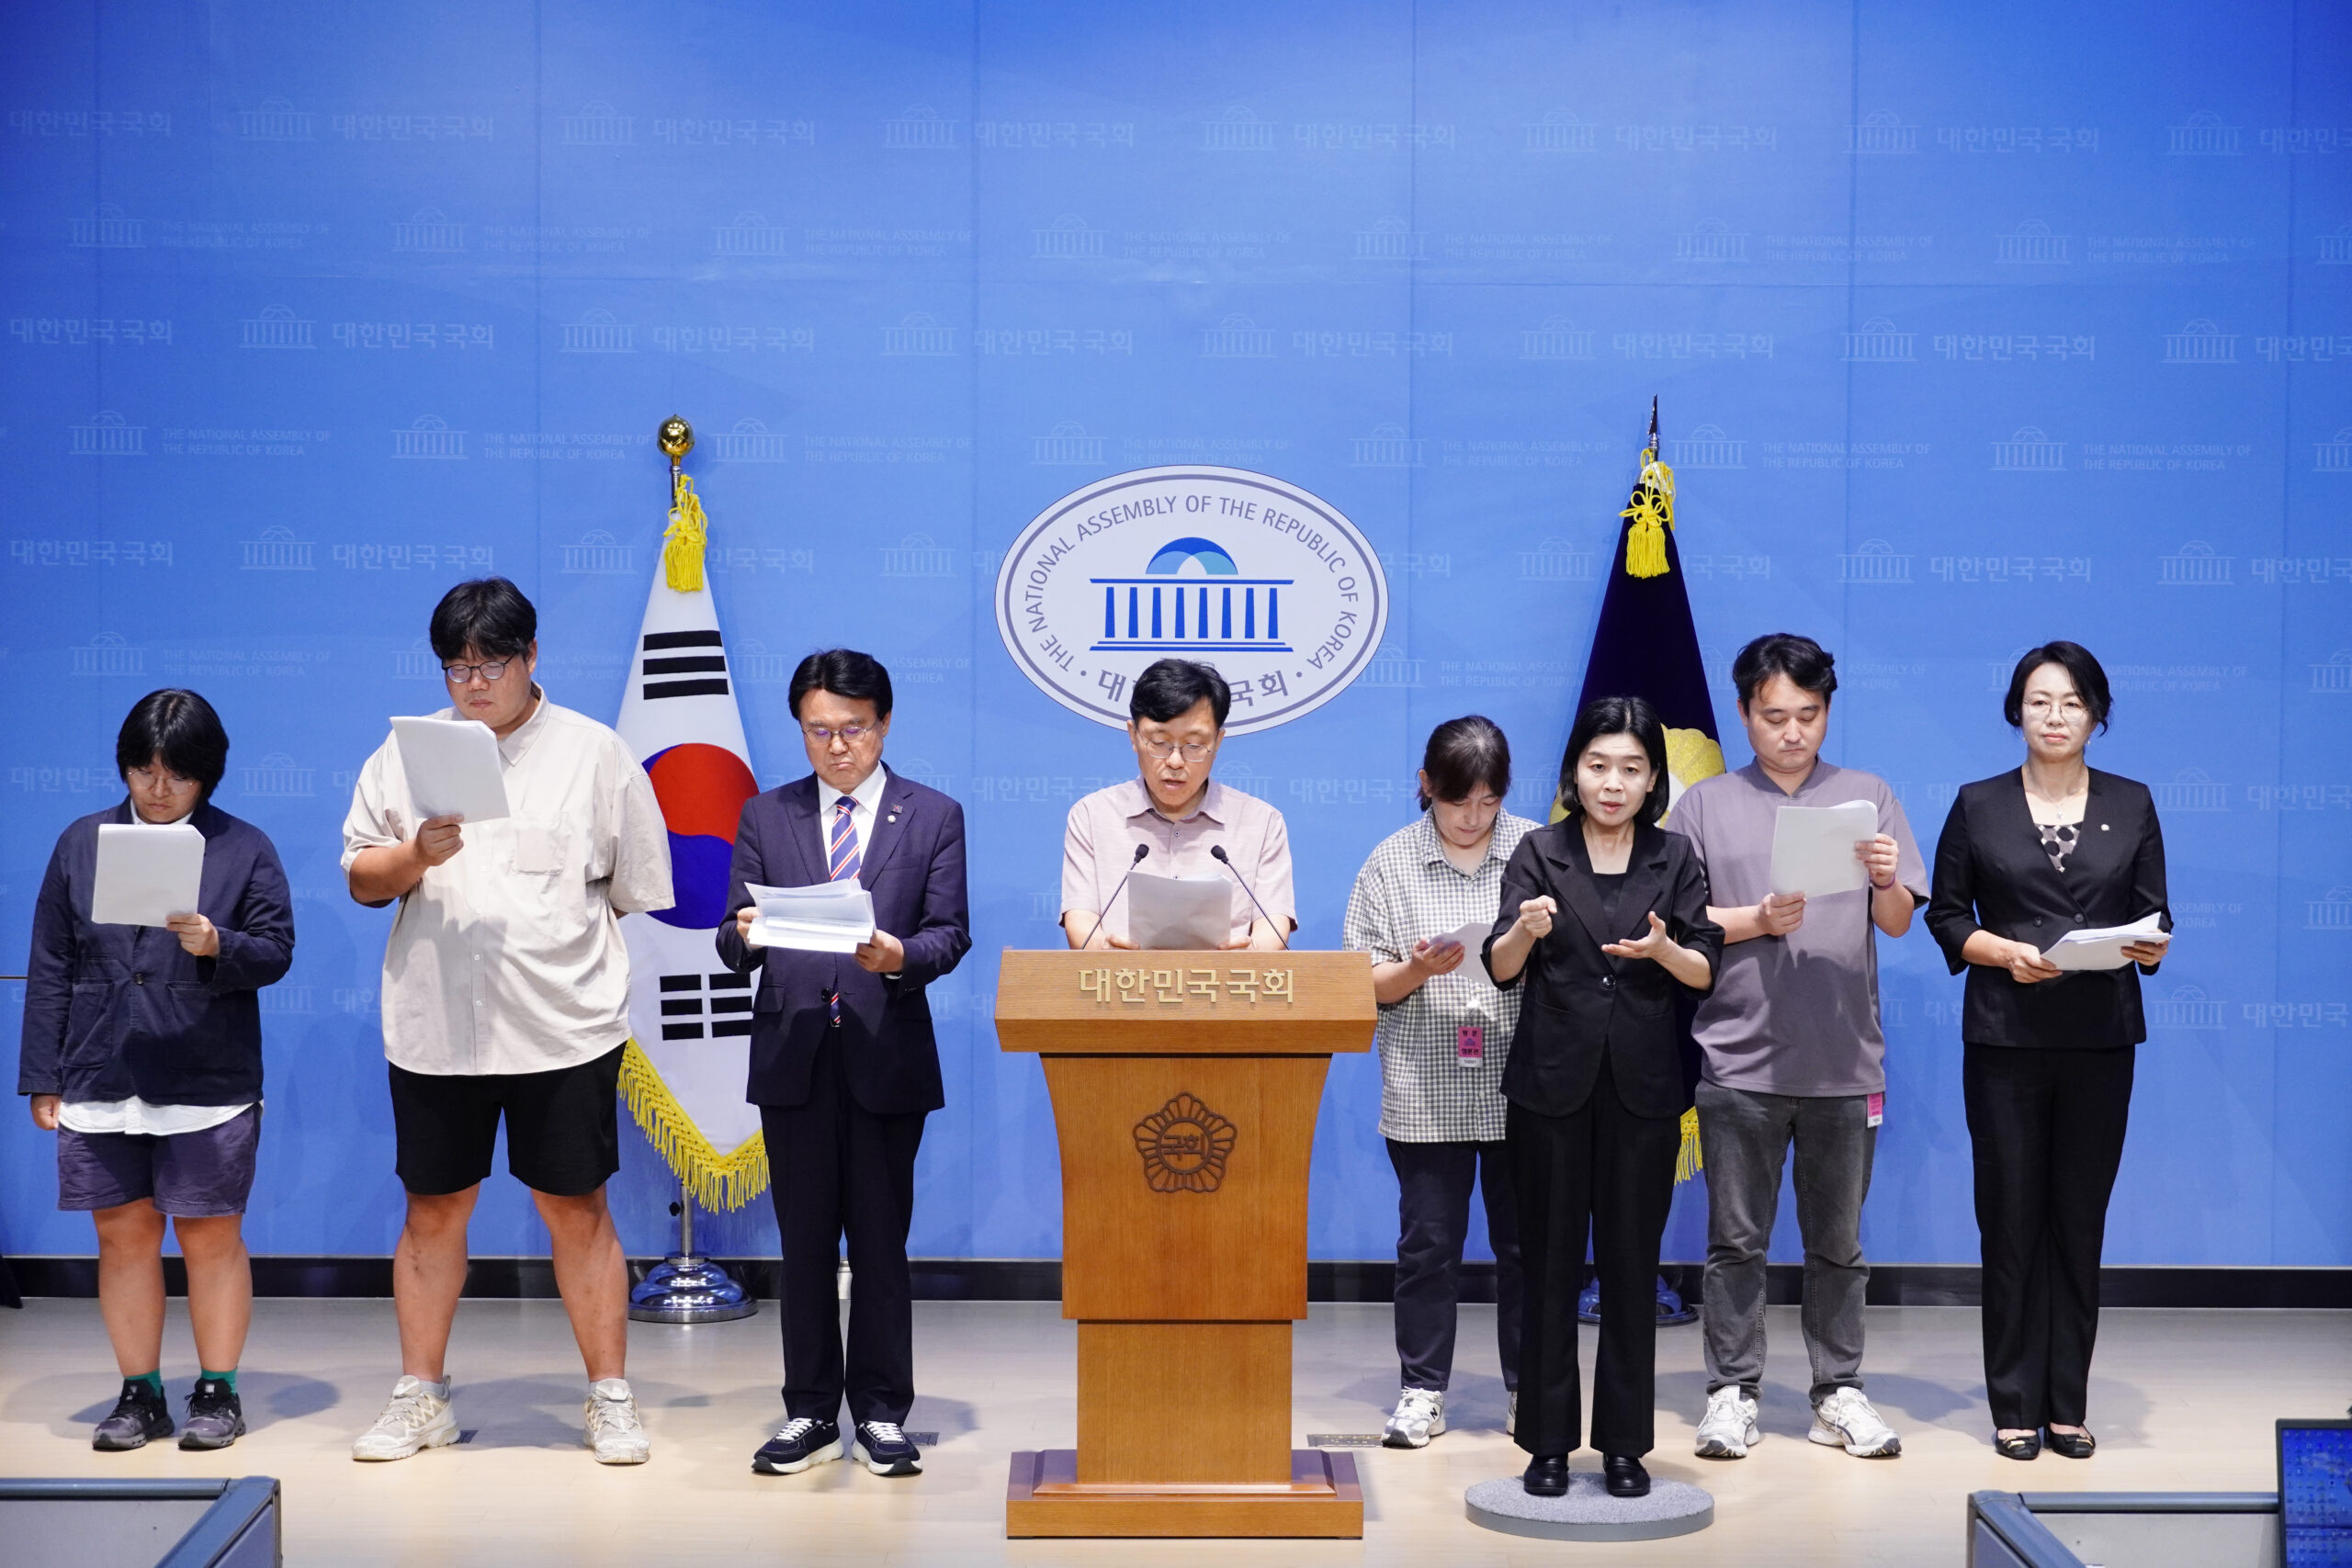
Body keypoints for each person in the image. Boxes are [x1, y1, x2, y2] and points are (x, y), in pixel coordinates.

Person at [341, 579, 673, 1465]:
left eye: (491, 663)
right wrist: (415, 853)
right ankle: (422, 1394)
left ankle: (610, 1395)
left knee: (577, 1208)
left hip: (561, 1026)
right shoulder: (406, 753)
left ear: (531, 656)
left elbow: (634, 886)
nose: (474, 683)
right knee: (433, 1209)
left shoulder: (595, 754)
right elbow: (362, 879)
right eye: (457, 667)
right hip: (437, 1027)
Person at [1667, 633, 1925, 1462]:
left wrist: (1884, 877)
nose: (1792, 732)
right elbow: (1680, 922)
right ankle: (1732, 1390)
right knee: (1736, 1241)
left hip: (1844, 1060)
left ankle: (1837, 1389)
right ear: (1745, 713)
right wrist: (1758, 920)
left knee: (1838, 1244)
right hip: (1739, 1058)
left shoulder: (1867, 796)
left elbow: (1897, 921)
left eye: (1808, 715)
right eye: (1774, 715)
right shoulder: (1704, 806)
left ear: (1827, 712)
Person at [718, 650, 970, 1479]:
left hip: (884, 1052)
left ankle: (884, 1412)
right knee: (803, 1243)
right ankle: (810, 1411)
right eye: (818, 730)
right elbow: (730, 937)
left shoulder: (932, 815)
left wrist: (899, 956)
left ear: (884, 723)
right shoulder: (767, 814)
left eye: (853, 729)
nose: (836, 746)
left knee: (880, 1241)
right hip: (794, 1052)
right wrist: (745, 934)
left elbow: (950, 933)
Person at [18, 691, 294, 1452]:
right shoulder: (82, 842)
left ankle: (219, 1390)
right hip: (99, 1069)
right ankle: (140, 1393)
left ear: (208, 774)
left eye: (177, 774)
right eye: (143, 771)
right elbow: (51, 963)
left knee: (210, 1237)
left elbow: (276, 950)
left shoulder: (244, 847)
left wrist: (218, 943)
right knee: (122, 1236)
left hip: (206, 1078)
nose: (159, 787)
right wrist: (44, 1073)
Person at [1927, 642, 2169, 1462]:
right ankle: (2014, 1402)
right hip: (2005, 1037)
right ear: (2016, 711)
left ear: (2096, 714)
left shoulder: (2132, 802)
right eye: (2039, 701)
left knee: (2077, 1219)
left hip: (2100, 1038)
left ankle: (2068, 1401)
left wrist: (2151, 945)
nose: (2055, 716)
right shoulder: (1978, 803)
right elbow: (1947, 915)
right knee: (2010, 1218)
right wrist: (1999, 951)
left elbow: (2156, 912)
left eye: (2071, 702)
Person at [1484, 696, 1721, 1500]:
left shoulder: (1675, 855)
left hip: (1643, 1091)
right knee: (1548, 1267)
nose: (1612, 782)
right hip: (1550, 1088)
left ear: (1654, 779)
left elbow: (1705, 969)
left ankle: (1625, 1445)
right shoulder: (1538, 851)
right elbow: (1501, 967)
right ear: (1574, 772)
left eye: (1631, 767)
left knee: (1630, 1268)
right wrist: (1524, 930)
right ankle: (1547, 1443)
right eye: (1598, 765)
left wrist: (1665, 949)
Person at [1342, 716, 1536, 1450]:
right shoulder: (1389, 862)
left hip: (1523, 1083)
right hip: (1426, 1087)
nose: (1473, 817)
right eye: (1459, 801)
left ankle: (1529, 1390)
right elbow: (1365, 981)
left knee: (1527, 1247)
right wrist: (1417, 969)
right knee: (1428, 1246)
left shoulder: (1536, 850)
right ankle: (1423, 1390)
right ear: (1426, 785)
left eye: (1489, 801)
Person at [1061, 659, 1293, 951]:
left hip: (1228, 979)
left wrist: (1249, 957)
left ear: (1218, 741)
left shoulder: (1261, 822)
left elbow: (1273, 924)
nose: (1174, 761)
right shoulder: (1092, 816)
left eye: (1194, 745)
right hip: (1121, 978)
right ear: (1133, 735)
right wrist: (1109, 956)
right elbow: (1081, 919)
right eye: (1159, 742)